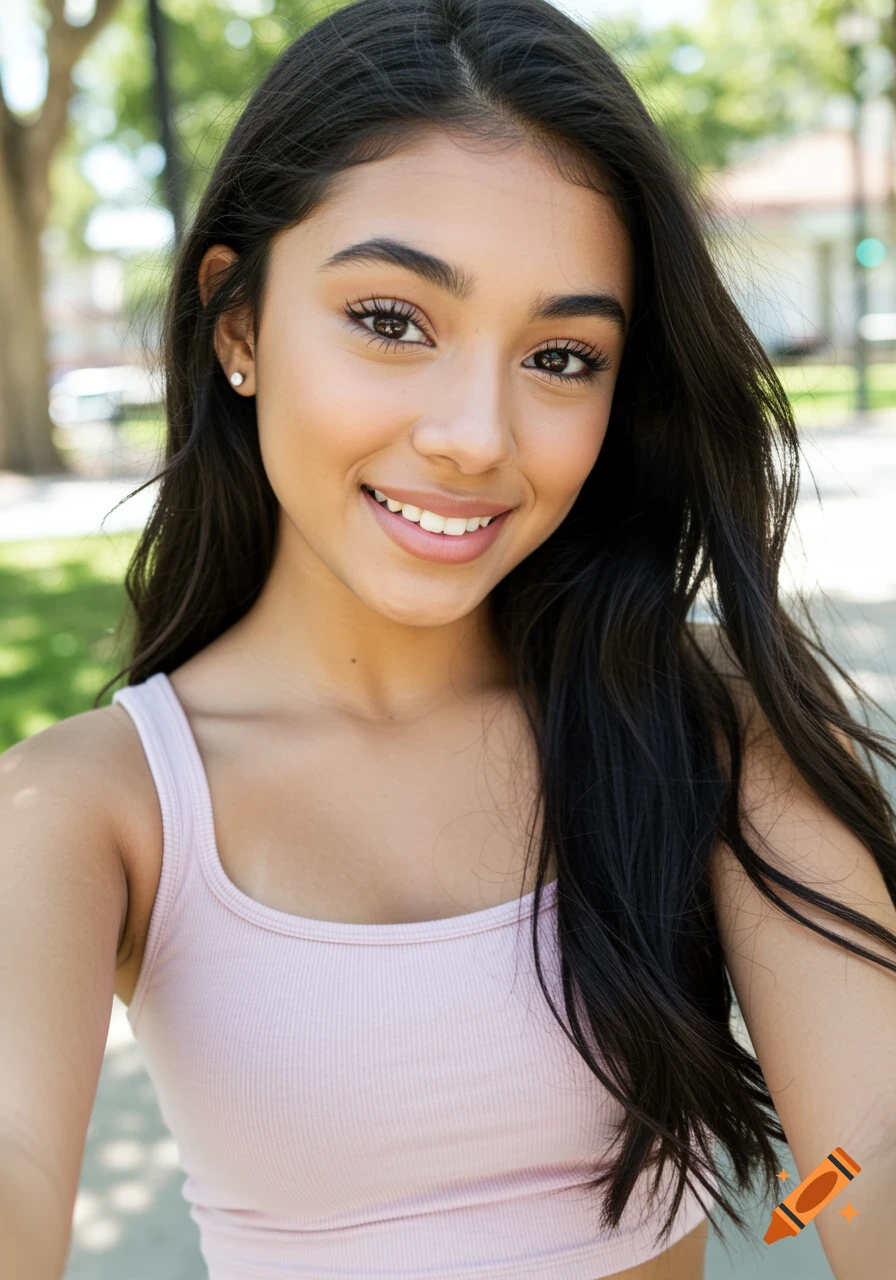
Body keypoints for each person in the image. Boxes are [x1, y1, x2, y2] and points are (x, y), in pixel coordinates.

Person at [3, 0, 896, 1277]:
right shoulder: (98, 805)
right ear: (238, 322)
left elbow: (863, 1138)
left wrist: (841, 1207)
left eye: (560, 354)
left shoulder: (699, 716)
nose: (475, 434)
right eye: (389, 319)